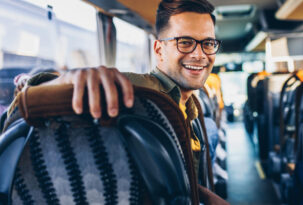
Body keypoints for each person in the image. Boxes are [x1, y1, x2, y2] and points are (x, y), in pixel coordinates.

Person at [5, 0, 228, 204]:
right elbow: (27, 101)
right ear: (159, 50)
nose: (200, 54)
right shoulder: (135, 91)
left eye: (207, 43)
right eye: (186, 42)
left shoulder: (191, 108)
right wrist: (63, 81)